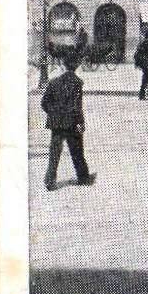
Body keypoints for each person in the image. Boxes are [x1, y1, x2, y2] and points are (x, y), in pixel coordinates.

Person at [41, 47, 96, 190]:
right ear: (76, 65)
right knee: (77, 150)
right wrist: (81, 122)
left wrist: (53, 112)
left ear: (64, 65)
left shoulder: (53, 82)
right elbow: (77, 105)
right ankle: (83, 177)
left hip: (56, 123)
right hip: (71, 122)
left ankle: (50, 180)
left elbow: (44, 103)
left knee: (54, 152)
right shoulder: (77, 83)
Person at [133, 33, 148, 101]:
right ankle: (144, 94)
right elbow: (147, 54)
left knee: (147, 79)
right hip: (145, 64)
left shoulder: (143, 42)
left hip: (143, 63)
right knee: (147, 79)